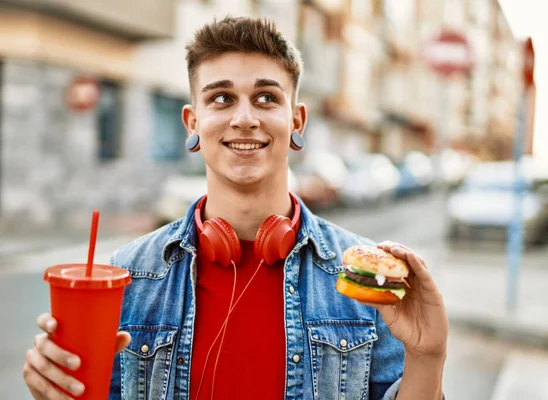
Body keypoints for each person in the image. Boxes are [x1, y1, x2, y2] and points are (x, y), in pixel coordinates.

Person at [23, 16, 448, 400]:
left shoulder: (362, 281)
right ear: (192, 122)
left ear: (296, 121)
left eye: (266, 98)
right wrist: (61, 389)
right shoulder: (128, 274)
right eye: (222, 99)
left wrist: (428, 358)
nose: (244, 118)